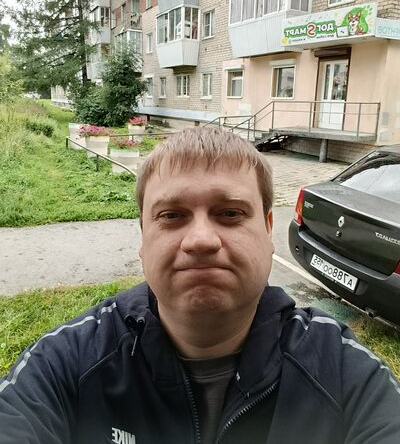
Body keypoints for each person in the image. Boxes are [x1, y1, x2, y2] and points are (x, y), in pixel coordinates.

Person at [0, 127, 399, 444]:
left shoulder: (346, 374)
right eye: (172, 215)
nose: (202, 240)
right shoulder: (67, 363)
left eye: (230, 213)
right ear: (143, 238)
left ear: (268, 230)